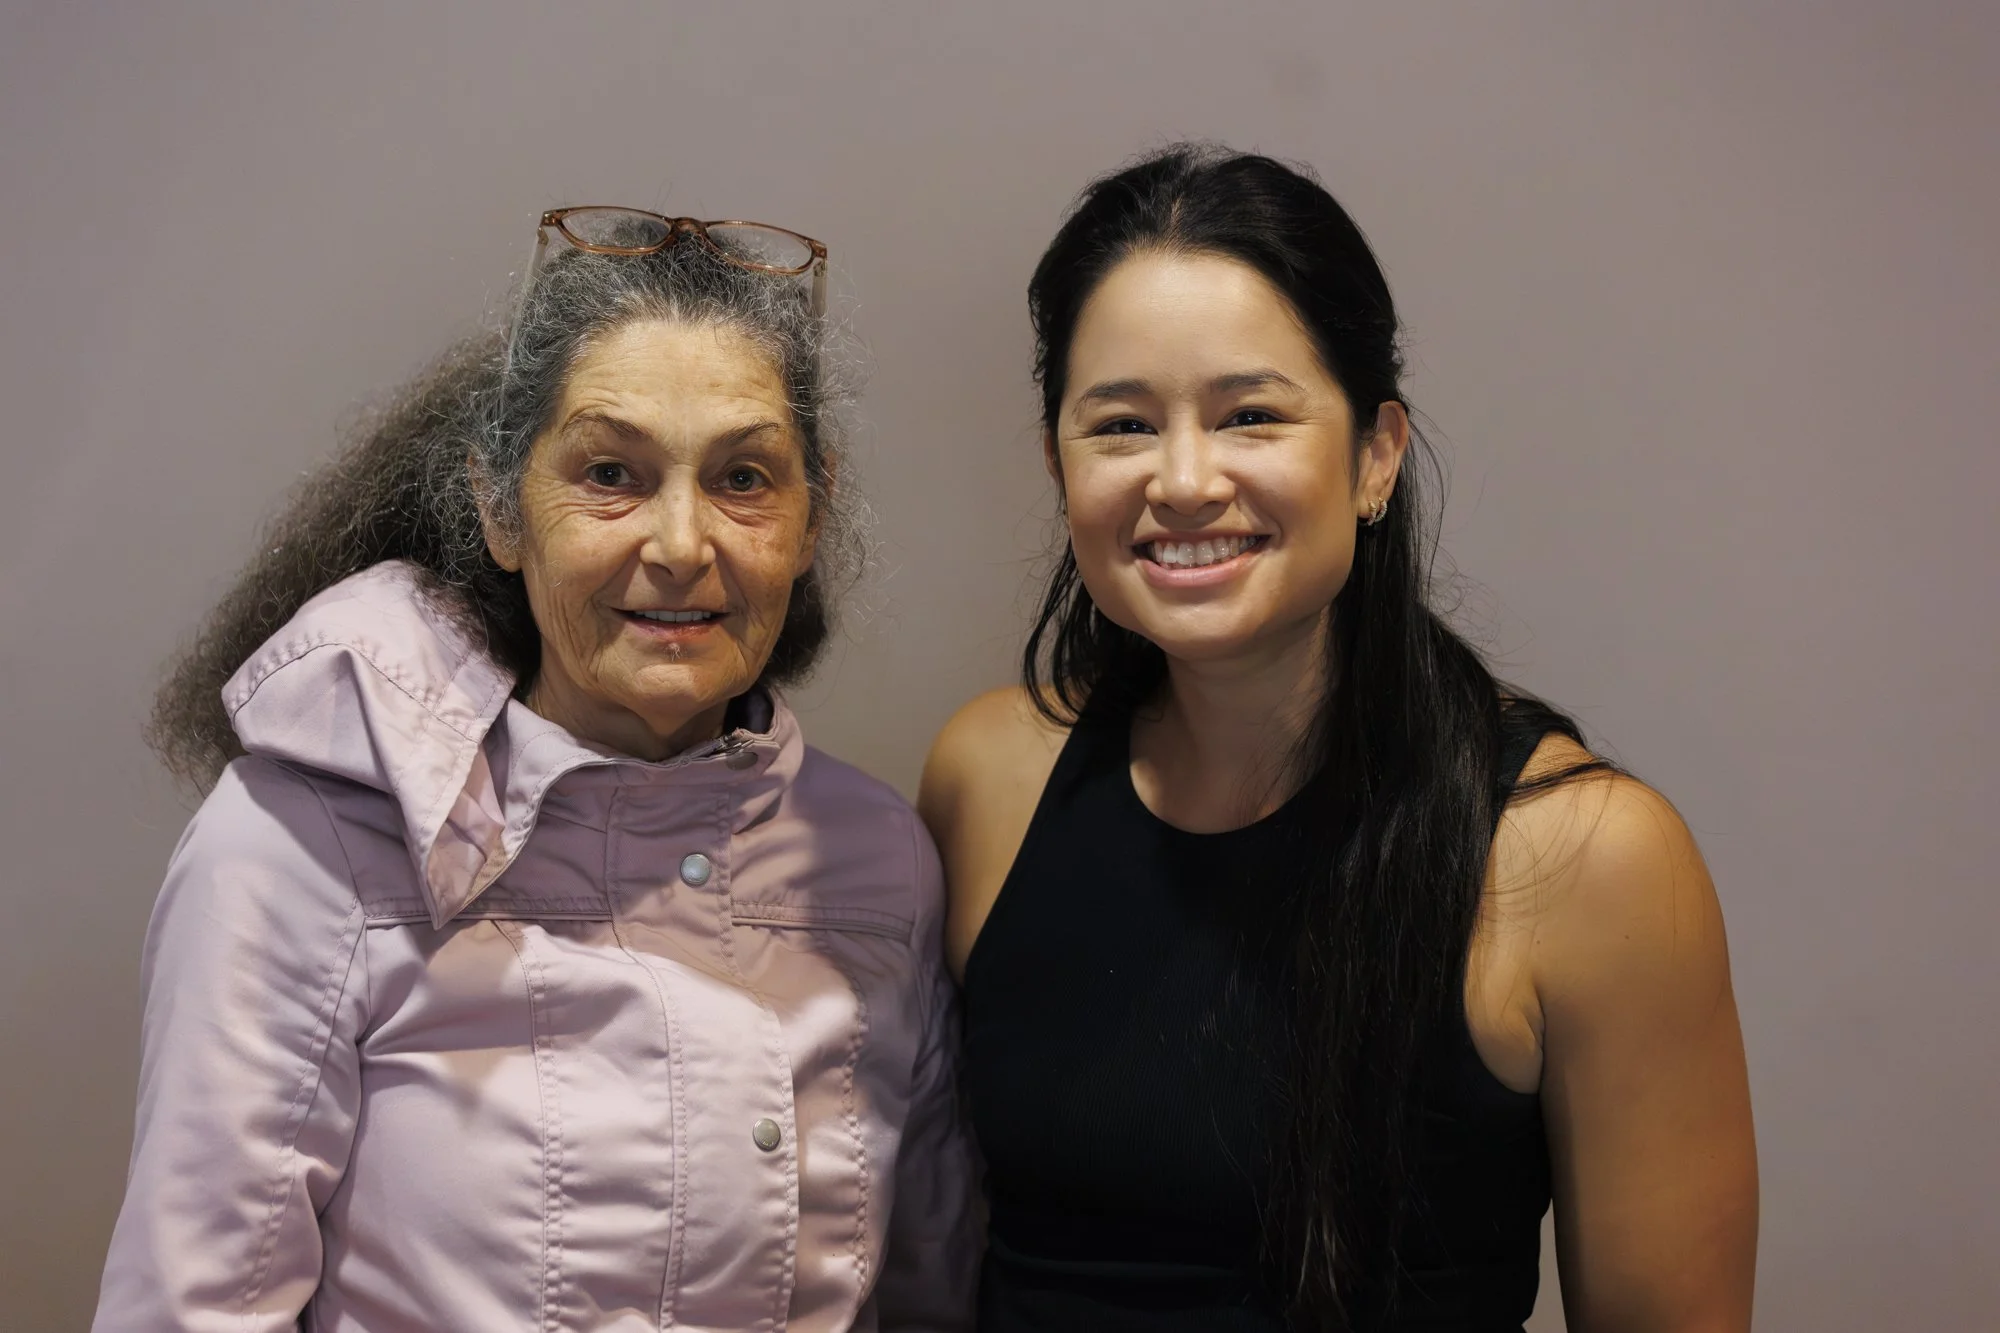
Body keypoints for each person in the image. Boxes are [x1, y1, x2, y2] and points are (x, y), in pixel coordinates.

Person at [921, 146, 1758, 1331]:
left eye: (1250, 415)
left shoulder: (1581, 856)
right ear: (1059, 463)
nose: (1182, 480)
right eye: (1120, 425)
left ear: (1375, 455)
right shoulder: (988, 777)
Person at [96, 208, 976, 1331]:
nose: (680, 544)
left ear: (812, 522)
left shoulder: (880, 860)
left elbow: (931, 1297)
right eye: (610, 472)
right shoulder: (297, 847)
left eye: (744, 478)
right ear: (500, 507)